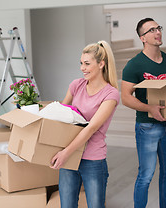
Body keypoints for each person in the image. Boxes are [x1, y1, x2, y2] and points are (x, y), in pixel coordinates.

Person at [50, 40, 120, 208]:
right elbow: (61, 114)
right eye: (81, 63)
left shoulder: (111, 94)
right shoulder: (76, 85)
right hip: (70, 156)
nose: (82, 68)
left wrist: (65, 153)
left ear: (101, 64)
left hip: (93, 160)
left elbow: (92, 128)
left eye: (87, 64)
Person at [121, 18, 166, 208]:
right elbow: (125, 97)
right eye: (152, 30)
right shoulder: (134, 65)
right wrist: (149, 108)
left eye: (159, 28)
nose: (158, 32)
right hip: (147, 126)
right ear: (142, 38)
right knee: (146, 175)